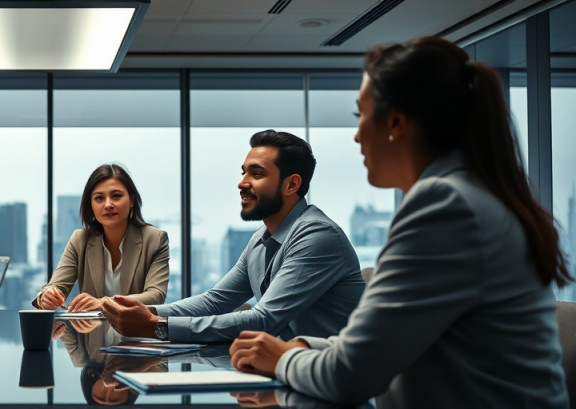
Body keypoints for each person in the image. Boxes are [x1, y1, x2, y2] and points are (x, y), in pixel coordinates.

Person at [230, 37, 572, 408]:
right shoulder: (470, 195)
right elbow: (390, 343)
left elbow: (353, 375)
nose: (357, 134)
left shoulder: (445, 207)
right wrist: (303, 346)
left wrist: (282, 359)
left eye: (360, 115)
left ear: (394, 123)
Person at [101, 130, 364, 343]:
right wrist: (140, 313)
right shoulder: (262, 239)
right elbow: (215, 301)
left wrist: (157, 327)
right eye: (244, 172)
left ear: (291, 184)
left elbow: (263, 319)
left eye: (257, 173)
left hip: (332, 381)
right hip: (291, 371)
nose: (242, 183)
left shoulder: (317, 235)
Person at [33, 164, 169, 312]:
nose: (108, 204)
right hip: (91, 331)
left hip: (136, 332)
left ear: (131, 200)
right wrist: (46, 296)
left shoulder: (155, 239)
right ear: (90, 205)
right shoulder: (80, 240)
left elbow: (156, 295)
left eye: (116, 196)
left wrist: (104, 303)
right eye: (99, 198)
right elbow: (55, 286)